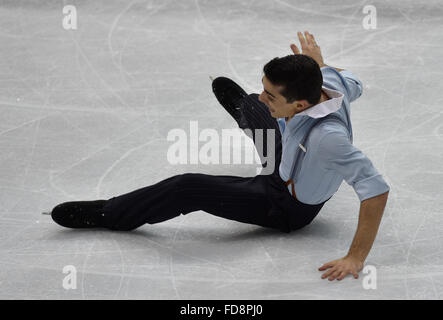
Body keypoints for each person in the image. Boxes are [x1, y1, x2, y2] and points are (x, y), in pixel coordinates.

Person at [49, 31, 389, 281]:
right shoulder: (329, 83)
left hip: (286, 204)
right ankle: (246, 111)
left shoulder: (328, 140)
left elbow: (375, 189)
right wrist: (318, 64)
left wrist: (356, 256)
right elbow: (353, 81)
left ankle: (110, 213)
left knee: (187, 186)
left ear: (301, 104)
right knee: (257, 112)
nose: (263, 94)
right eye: (264, 87)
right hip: (288, 160)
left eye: (271, 95)